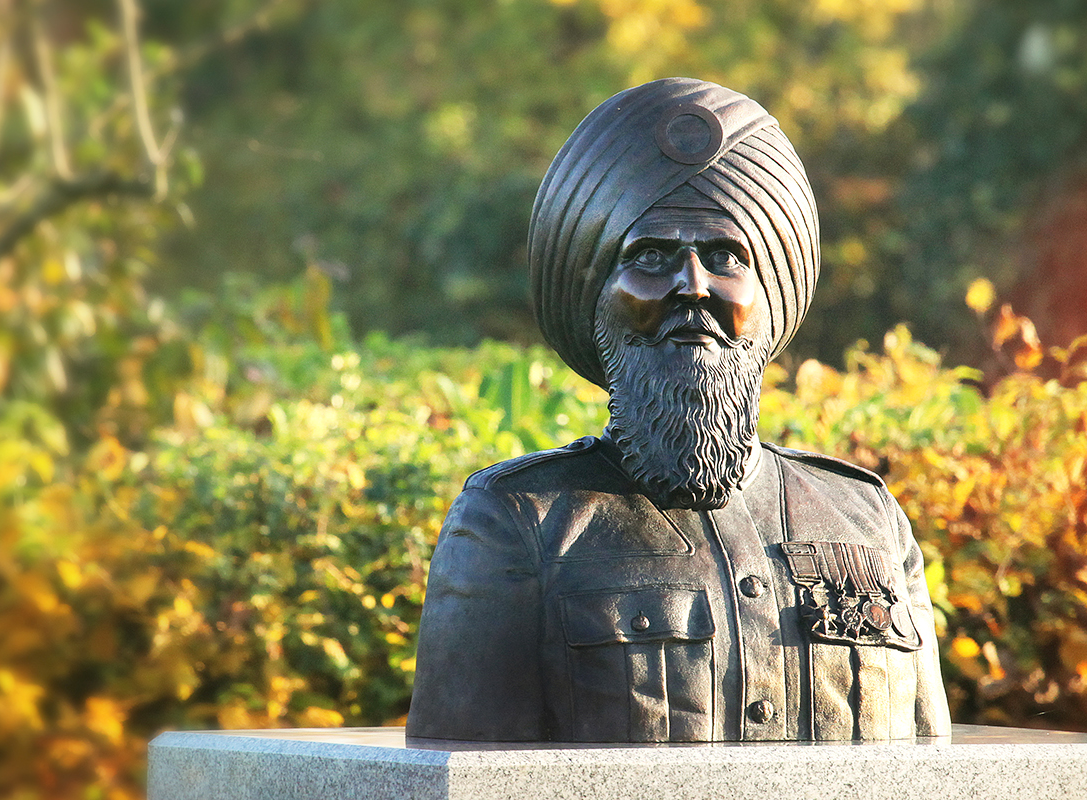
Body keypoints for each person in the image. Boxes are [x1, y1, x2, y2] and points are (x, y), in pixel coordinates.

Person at [406, 77, 951, 742]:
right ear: (598, 300)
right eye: (651, 257)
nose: (693, 285)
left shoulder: (867, 517)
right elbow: (462, 776)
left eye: (725, 257)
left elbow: (934, 766)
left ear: (767, 300)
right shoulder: (517, 525)